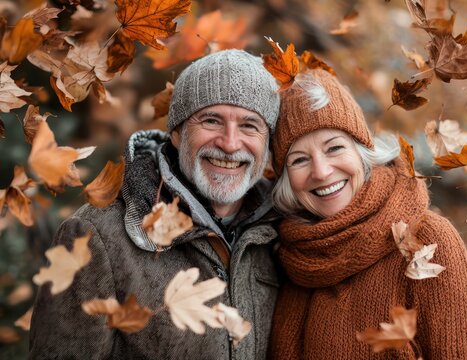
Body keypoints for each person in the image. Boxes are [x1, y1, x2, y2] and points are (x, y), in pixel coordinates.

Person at [29, 49, 281, 359]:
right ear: (177, 133)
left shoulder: (279, 233)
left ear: (267, 142)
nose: (229, 143)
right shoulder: (96, 236)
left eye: (249, 125)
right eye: (212, 120)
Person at [268, 69, 467, 359]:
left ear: (362, 153)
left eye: (334, 148)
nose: (321, 171)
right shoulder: (291, 257)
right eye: (299, 160)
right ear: (286, 180)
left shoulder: (429, 241)